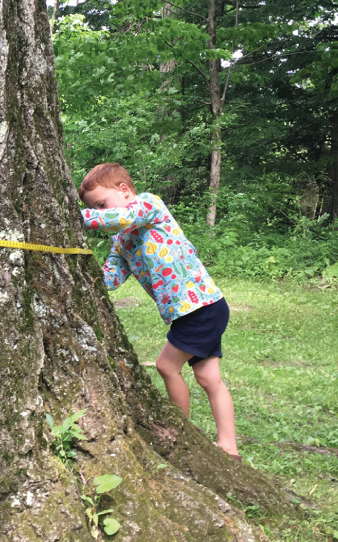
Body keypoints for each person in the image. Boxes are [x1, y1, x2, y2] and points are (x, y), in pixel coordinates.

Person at [78, 163, 239, 461]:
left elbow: (120, 217)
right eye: (94, 209)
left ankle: (182, 436)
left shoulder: (149, 205)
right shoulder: (121, 239)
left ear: (125, 191)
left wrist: (75, 218)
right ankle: (229, 447)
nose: (100, 213)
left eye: (101, 205)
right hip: (193, 311)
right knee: (208, 378)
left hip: (201, 307)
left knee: (167, 366)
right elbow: (110, 277)